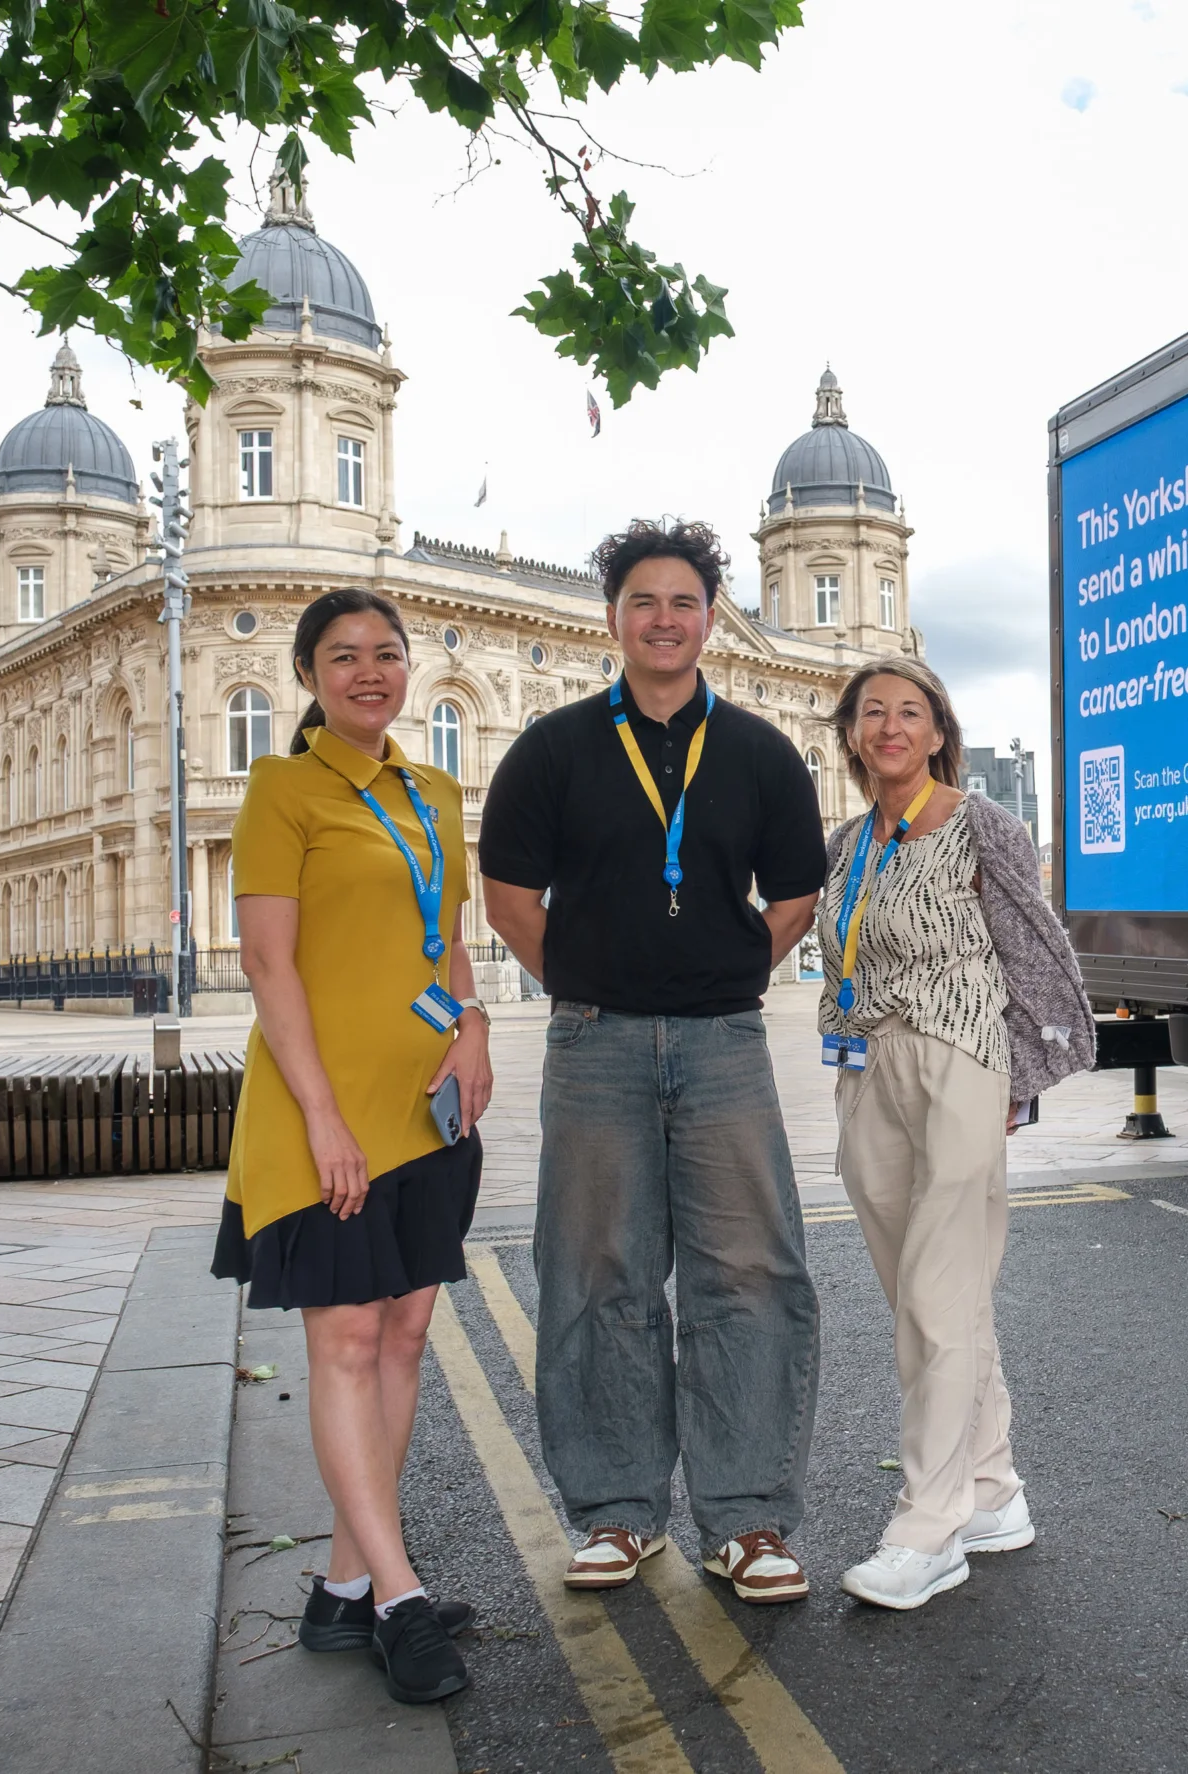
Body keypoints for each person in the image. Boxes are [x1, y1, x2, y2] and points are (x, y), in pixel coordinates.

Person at [480, 518, 829, 1605]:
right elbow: (506, 897)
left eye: (684, 602)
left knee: (749, 1273)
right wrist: (594, 977)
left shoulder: (764, 752)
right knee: (596, 1272)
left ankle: (748, 1517)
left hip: (725, 1043)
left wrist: (721, 972)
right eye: (644, 601)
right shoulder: (553, 746)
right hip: (593, 1042)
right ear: (614, 617)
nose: (665, 620)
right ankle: (618, 1512)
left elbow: (797, 896)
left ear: (710, 617)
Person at [211, 587, 493, 1706]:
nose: (369, 672)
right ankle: (398, 1598)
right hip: (319, 1111)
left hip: (425, 1103)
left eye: (386, 652)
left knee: (405, 1336)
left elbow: (449, 937)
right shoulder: (282, 789)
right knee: (342, 1346)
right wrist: (321, 1114)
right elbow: (269, 966)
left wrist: (471, 1033)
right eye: (343, 657)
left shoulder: (432, 790)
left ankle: (340, 1587)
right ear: (309, 675)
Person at [819, 657, 1095, 1610]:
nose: (890, 726)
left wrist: (1019, 1082)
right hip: (868, 1067)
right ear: (851, 733)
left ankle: (927, 1530)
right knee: (928, 1300)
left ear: (940, 733)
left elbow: (1038, 953)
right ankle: (992, 1488)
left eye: (910, 713)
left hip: (959, 1056)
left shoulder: (984, 826)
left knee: (940, 1294)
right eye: (872, 713)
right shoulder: (851, 841)